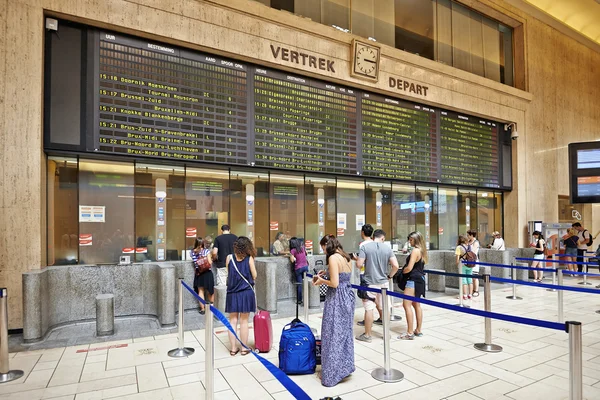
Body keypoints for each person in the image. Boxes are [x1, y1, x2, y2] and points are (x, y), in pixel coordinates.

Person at [312, 234, 355, 387]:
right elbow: (343, 277)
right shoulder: (344, 256)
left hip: (336, 298)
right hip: (347, 296)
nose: (323, 251)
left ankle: (332, 374)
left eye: (323, 248)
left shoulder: (332, 258)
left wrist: (321, 280)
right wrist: (327, 272)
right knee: (343, 333)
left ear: (326, 245)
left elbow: (335, 283)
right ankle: (344, 367)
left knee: (332, 333)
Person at [355, 229, 399, 343]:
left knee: (369, 309)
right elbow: (396, 266)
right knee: (384, 308)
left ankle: (368, 335)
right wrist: (389, 276)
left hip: (369, 283)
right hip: (383, 283)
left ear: (373, 236)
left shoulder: (365, 247)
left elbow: (359, 264)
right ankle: (386, 334)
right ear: (383, 238)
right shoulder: (387, 249)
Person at [225, 236, 257, 356]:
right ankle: (244, 348)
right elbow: (254, 275)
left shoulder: (229, 258)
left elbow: (229, 273)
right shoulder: (249, 259)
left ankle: (233, 348)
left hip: (232, 293)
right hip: (245, 292)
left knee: (232, 320)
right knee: (244, 321)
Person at [397, 231, 427, 340]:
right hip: (420, 280)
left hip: (412, 280)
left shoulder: (415, 251)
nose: (409, 242)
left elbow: (409, 268)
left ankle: (409, 333)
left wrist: (402, 272)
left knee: (407, 305)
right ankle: (418, 330)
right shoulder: (422, 251)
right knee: (416, 305)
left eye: (411, 240)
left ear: (415, 239)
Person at [351, 224, 379, 327]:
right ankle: (382, 318)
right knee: (377, 299)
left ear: (362, 232)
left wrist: (356, 259)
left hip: (365, 274)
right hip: (376, 274)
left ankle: (367, 324)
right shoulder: (375, 243)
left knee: (367, 301)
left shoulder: (363, 245)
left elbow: (360, 263)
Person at [190, 236, 215, 314]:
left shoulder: (192, 252)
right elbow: (210, 262)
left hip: (199, 273)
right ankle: (212, 308)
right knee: (210, 291)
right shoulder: (206, 251)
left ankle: (202, 309)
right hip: (207, 273)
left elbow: (195, 262)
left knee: (200, 291)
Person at [289, 237, 308, 304]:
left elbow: (292, 260)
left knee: (299, 284)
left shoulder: (293, 250)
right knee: (306, 283)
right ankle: (307, 299)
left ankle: (299, 300)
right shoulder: (303, 248)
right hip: (305, 267)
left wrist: (290, 255)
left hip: (299, 268)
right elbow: (306, 254)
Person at [455, 235, 473, 300]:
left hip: (462, 265)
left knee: (463, 280)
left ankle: (465, 295)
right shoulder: (469, 246)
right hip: (470, 264)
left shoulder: (459, 247)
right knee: (470, 279)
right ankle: (470, 295)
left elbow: (457, 259)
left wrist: (457, 264)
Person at [467, 230, 481, 297]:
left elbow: (473, 252)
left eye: (468, 235)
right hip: (468, 260)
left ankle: (476, 290)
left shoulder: (476, 242)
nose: (467, 236)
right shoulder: (468, 242)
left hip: (474, 260)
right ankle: (471, 290)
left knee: (475, 276)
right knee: (470, 276)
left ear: (472, 235)